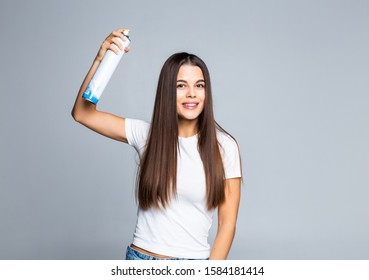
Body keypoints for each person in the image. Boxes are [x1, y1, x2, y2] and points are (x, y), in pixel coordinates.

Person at [71, 28, 242, 260]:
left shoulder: (224, 147)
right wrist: (102, 59)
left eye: (199, 85)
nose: (191, 94)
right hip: (140, 261)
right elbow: (82, 113)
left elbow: (227, 224)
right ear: (167, 91)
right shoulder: (146, 134)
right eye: (181, 86)